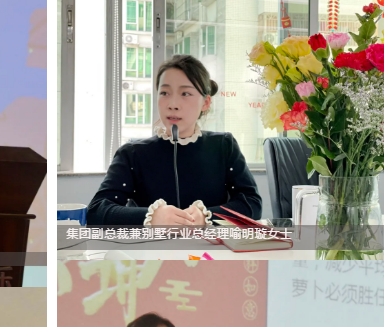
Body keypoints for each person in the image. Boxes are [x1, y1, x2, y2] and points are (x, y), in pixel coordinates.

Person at [87, 55, 262, 226]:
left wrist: (207, 217)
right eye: (164, 93)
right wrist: (150, 217)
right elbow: (97, 211)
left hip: (209, 246)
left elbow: (252, 204)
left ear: (205, 103)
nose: (173, 104)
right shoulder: (132, 153)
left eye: (185, 93)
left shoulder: (224, 145)